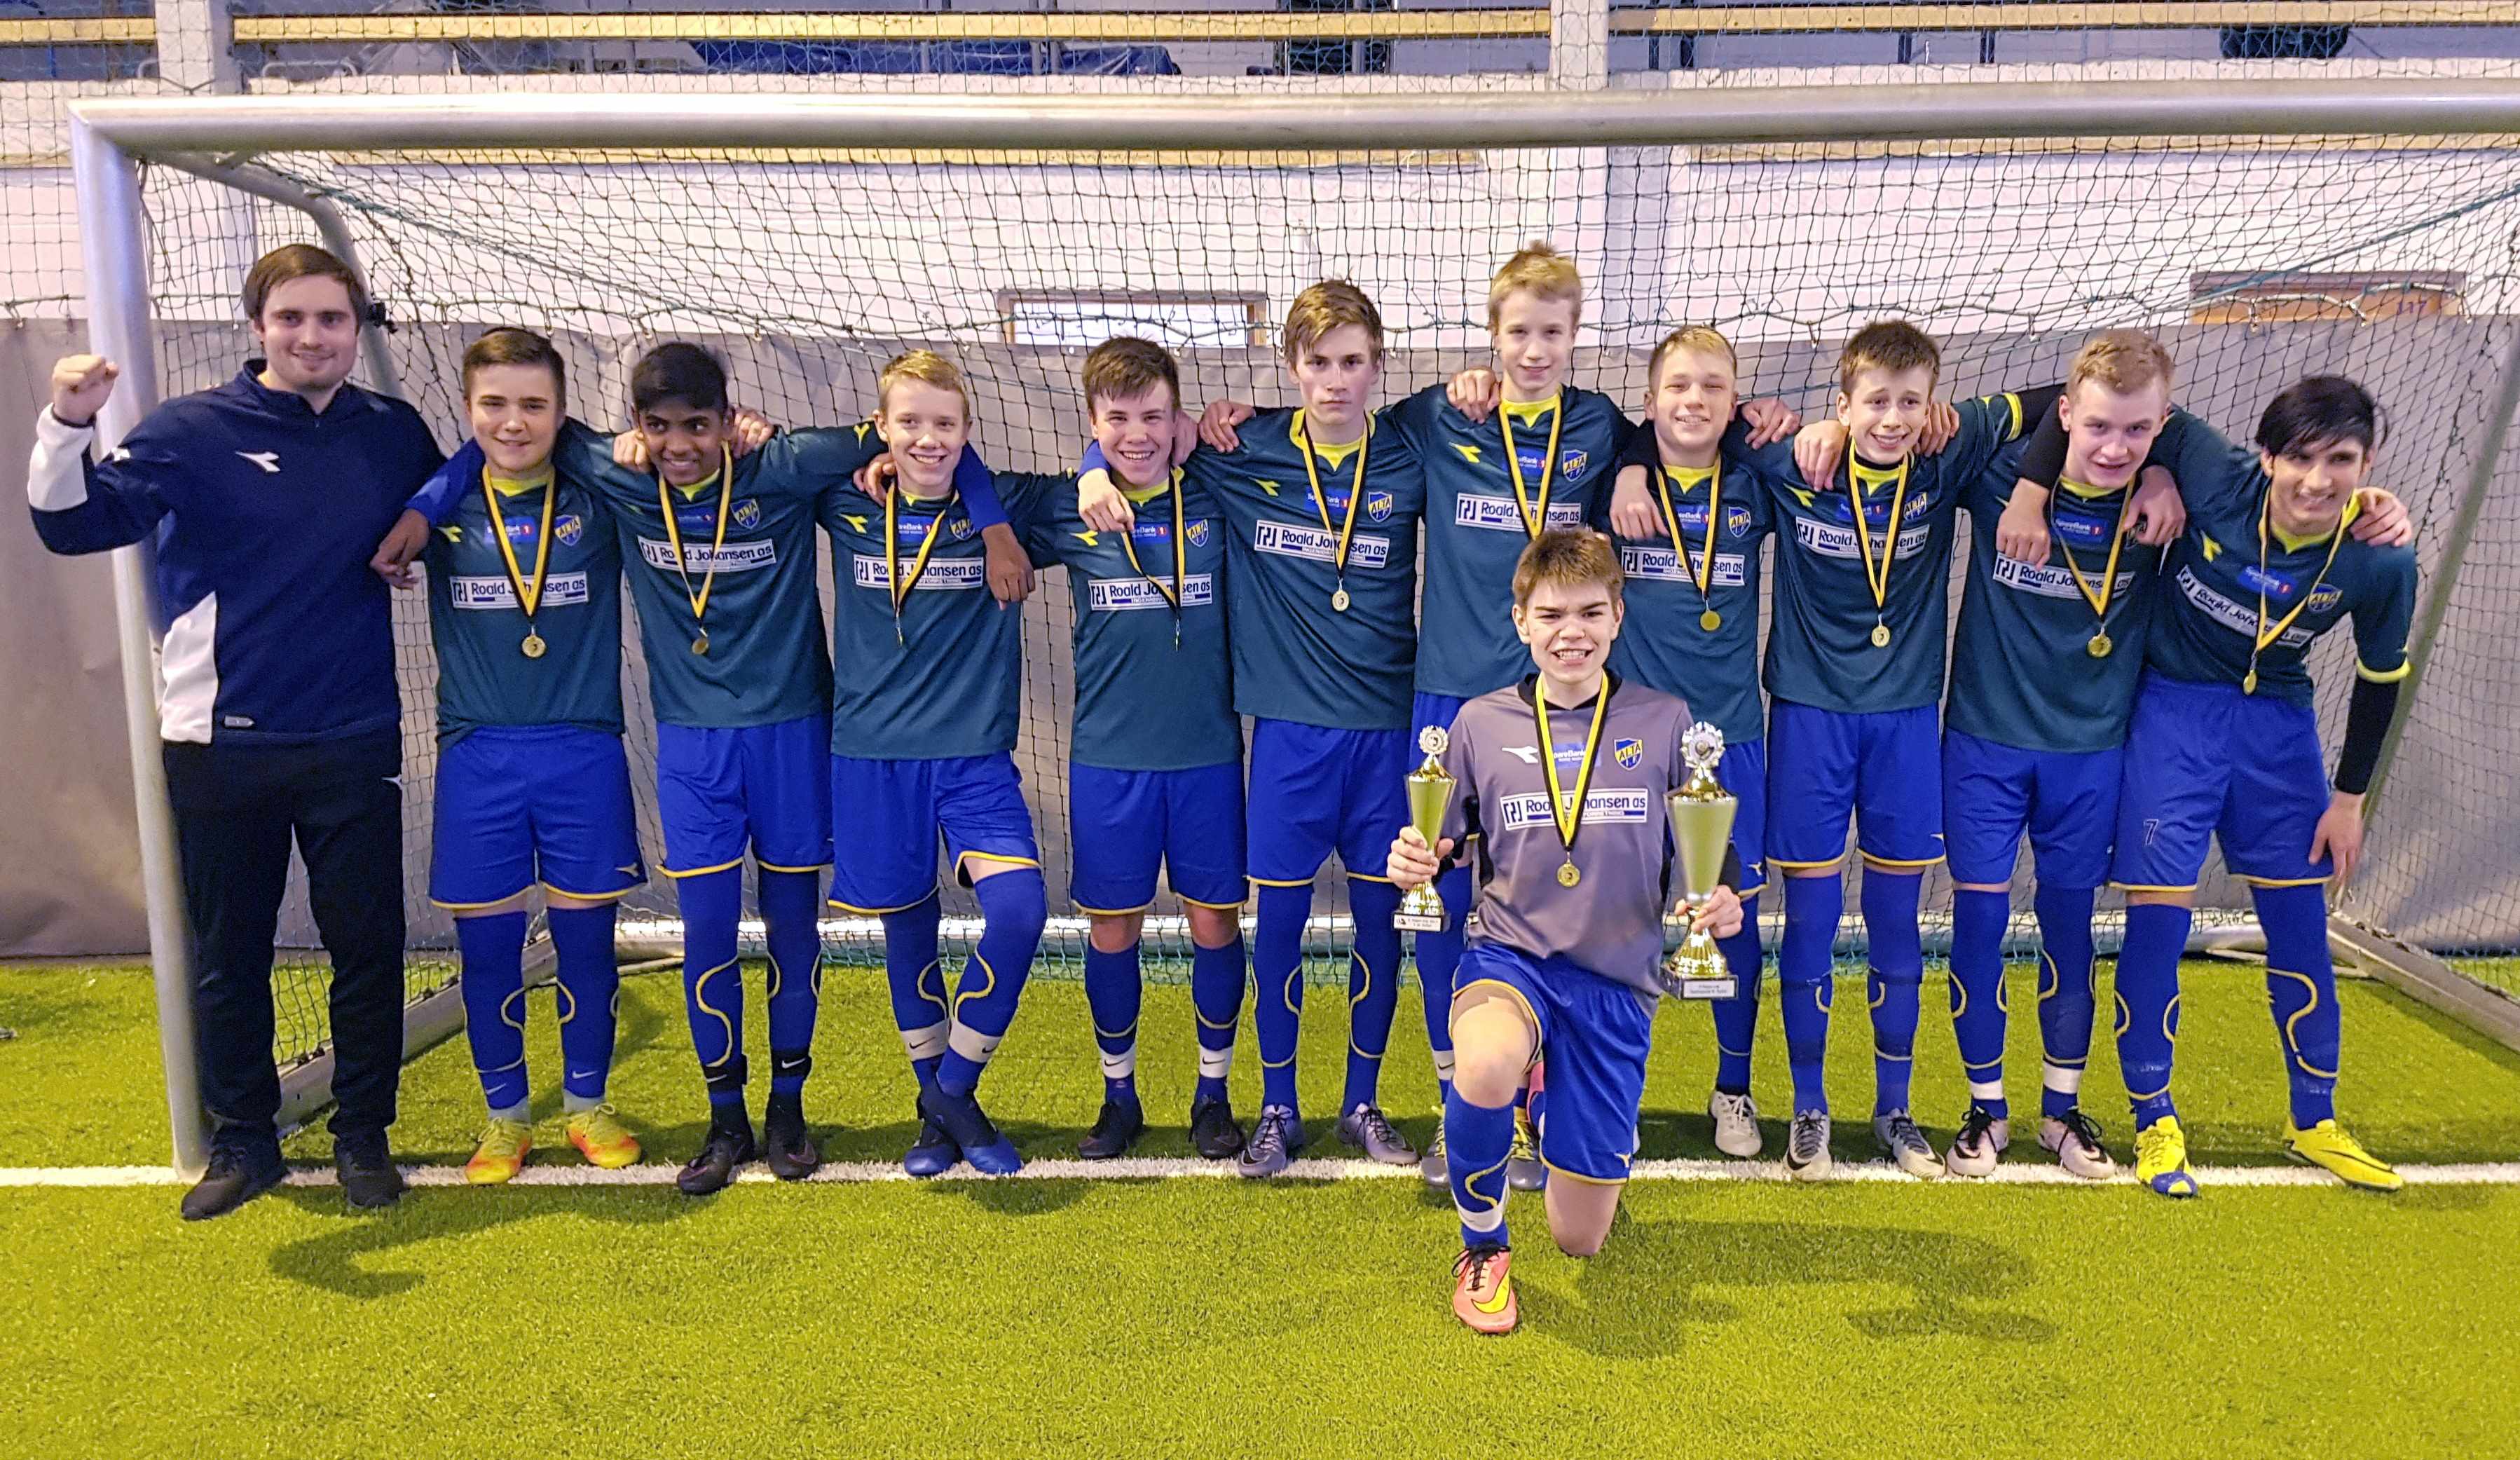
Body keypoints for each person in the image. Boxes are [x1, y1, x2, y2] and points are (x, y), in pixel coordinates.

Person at [26, 244, 444, 1218]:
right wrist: (67, 423)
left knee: (369, 945)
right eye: (291, 317)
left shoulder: (390, 431)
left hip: (353, 735)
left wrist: (422, 523)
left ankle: (362, 1134)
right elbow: (69, 526)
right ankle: (244, 1140)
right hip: (219, 743)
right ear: (257, 326)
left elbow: (458, 486)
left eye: (331, 319)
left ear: (356, 329)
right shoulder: (191, 431)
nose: (312, 337)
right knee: (232, 953)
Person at [1078, 282, 1427, 1178]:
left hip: (1385, 735)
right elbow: (1139, 440)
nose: (1335, 380)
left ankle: (1361, 1102)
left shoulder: (1410, 449)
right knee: (1276, 927)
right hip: (1286, 742)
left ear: (1377, 365)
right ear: (1290, 365)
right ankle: (1277, 1107)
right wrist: (1088, 467)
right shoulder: (1244, 447)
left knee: (1380, 926)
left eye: (1352, 362)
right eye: (1317, 362)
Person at [1388, 528, 1744, 1335]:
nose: (1569, 632)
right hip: (1510, 957)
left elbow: (1710, 846)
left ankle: (1544, 1099)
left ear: (1617, 616)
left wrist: (1719, 900)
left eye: (1588, 612)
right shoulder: (1478, 723)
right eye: (1550, 615)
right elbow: (1441, 843)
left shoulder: (1666, 721)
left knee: (1578, 1236)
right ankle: (1482, 1246)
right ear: (1520, 621)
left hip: (1615, 980)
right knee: (1484, 1063)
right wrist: (1414, 858)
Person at [2107, 378, 2417, 1197]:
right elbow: (2137, 421)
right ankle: (2153, 1121)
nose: (2318, 480)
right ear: (2266, 457)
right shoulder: (2214, 471)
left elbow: (2379, 677)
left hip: (2276, 732)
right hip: (2172, 714)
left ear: (2366, 464)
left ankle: (2313, 1120)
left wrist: (2347, 800)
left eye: (2340, 460)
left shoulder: (2381, 556)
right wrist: (2153, 473)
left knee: (2299, 928)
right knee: (2156, 924)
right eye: (2299, 458)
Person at [822, 350, 1060, 1176]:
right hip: (871, 758)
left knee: (1020, 911)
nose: (928, 440)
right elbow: (782, 463)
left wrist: (991, 518)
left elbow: (1102, 479)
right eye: (909, 423)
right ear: (879, 428)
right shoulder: (842, 498)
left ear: (968, 431)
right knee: (908, 929)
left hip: (972, 759)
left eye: (945, 424)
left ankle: (950, 1092)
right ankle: (937, 1114)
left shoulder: (1007, 508)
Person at [417, 329, 645, 1183]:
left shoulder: (597, 497)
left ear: (562, 412)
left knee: (587, 944)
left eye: (534, 405)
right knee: (487, 952)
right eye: (494, 404)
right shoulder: (439, 504)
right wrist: (428, 497)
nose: (513, 422)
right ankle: (505, 1117)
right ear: (467, 408)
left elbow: (659, 470)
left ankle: (587, 1105)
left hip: (581, 750)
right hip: (478, 754)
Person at [1013, 338, 1248, 1161]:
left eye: (1154, 415)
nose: (1137, 434)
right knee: (1112, 930)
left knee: (1213, 922)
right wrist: (1087, 473)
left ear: (1175, 414)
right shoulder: (1067, 507)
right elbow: (966, 481)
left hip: (1205, 756)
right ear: (1091, 420)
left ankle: (1212, 1094)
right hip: (1108, 761)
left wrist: (1222, 418)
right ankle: (1118, 1096)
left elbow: (1304, 433)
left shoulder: (1215, 488)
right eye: (1116, 419)